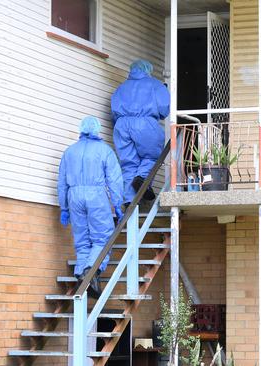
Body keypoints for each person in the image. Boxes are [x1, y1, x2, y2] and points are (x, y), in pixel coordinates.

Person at [57, 116, 124, 298]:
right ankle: (91, 270)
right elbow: (114, 180)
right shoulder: (104, 151)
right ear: (97, 129)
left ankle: (81, 274)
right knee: (102, 238)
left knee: (82, 240)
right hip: (96, 196)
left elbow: (62, 182)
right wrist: (118, 204)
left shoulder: (69, 152)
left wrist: (64, 207)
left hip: (74, 196)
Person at [111, 59, 170, 206]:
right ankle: (142, 179)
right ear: (147, 70)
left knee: (128, 163)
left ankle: (130, 199)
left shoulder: (121, 87)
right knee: (152, 156)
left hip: (121, 125)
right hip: (145, 123)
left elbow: (114, 110)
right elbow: (164, 109)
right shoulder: (155, 85)